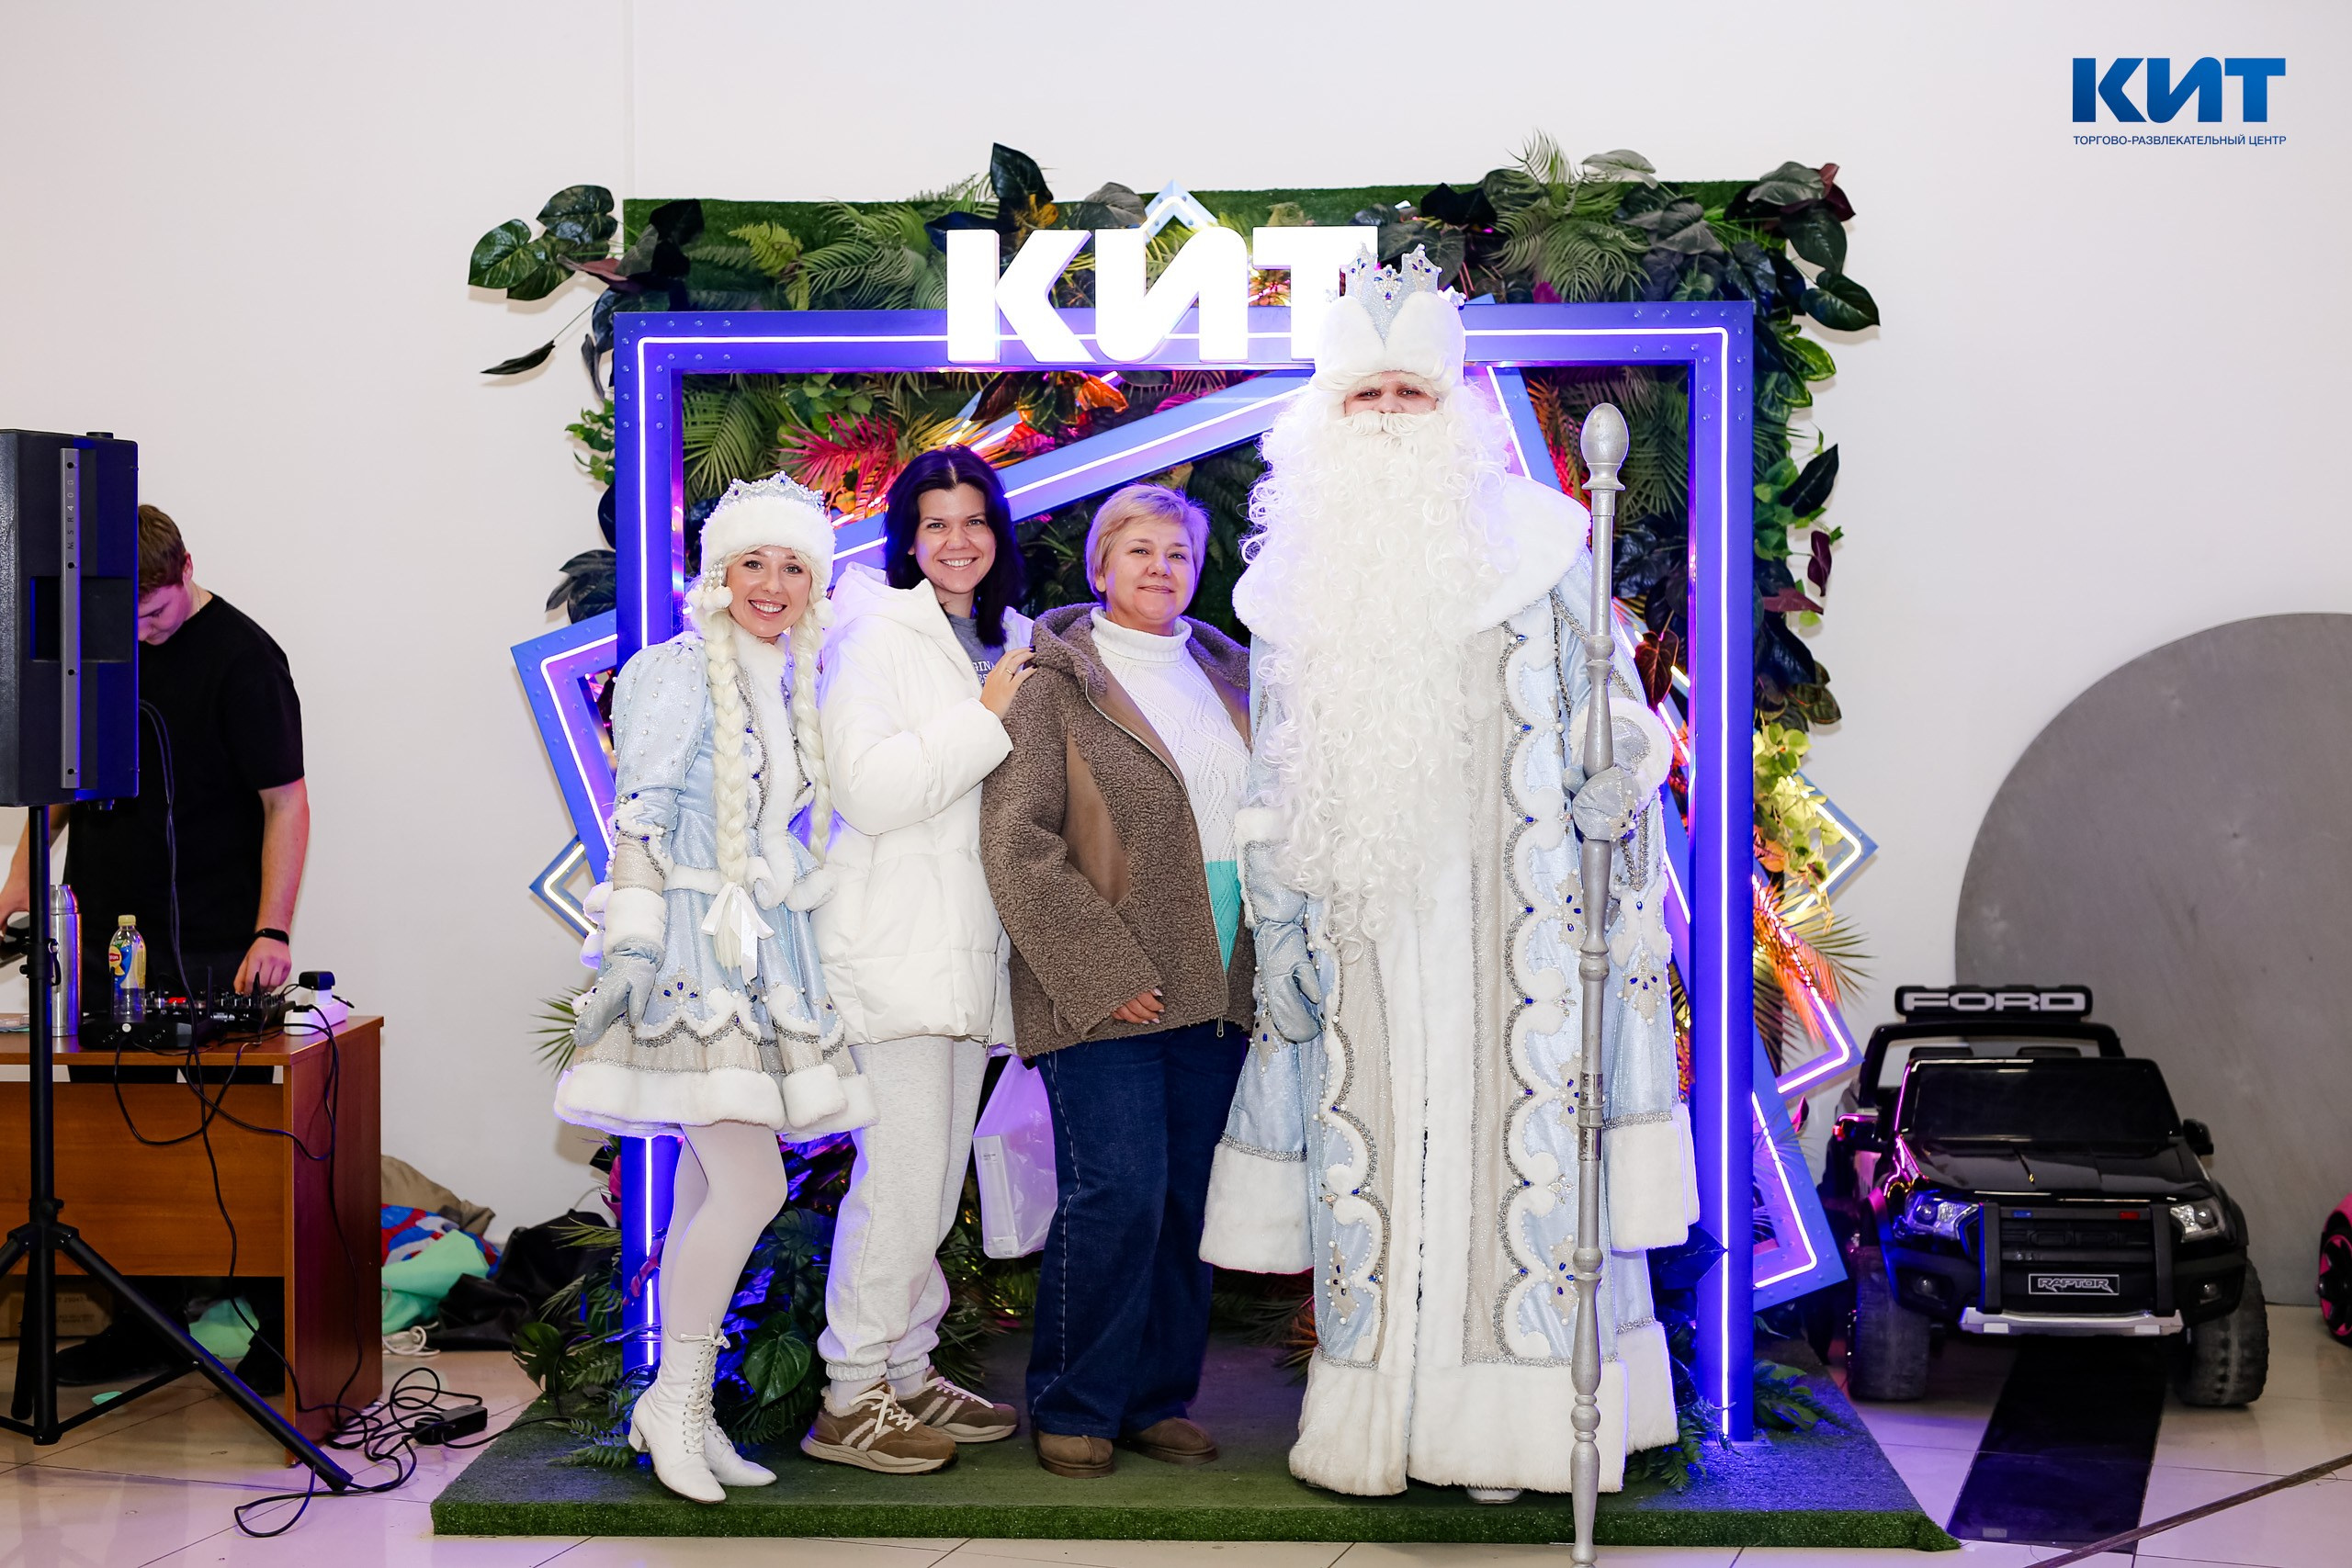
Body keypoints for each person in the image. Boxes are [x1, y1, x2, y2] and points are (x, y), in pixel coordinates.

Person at [1197, 249, 1696, 1500]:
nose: (1385, 418)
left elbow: (1614, 707)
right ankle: (1380, 1423)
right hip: (1363, 928)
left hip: (1513, 921)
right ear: (1326, 416)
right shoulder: (1290, 590)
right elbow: (1275, 778)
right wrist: (1281, 930)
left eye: (1408, 395)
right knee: (1373, 1171)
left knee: (1518, 1169)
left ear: (1450, 406)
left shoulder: (1545, 545)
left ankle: (1514, 1434)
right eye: (1363, 397)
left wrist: (1617, 769)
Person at [555, 473, 874, 1503]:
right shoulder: (674, 668)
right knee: (753, 1185)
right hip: (691, 951)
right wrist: (631, 946)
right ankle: (674, 1403)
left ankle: (681, 1407)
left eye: (793, 566)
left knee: (708, 1182)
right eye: (753, 563)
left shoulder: (791, 680)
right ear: (719, 572)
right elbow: (640, 816)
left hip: (760, 949)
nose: (771, 584)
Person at [0, 502, 309, 1391]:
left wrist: (272, 930)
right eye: (123, 617)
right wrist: (20, 882)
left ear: (186, 569)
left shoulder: (245, 659)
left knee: (236, 1144)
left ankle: (276, 1330)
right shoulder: (93, 655)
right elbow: (58, 790)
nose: (140, 632)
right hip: (106, 935)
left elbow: (287, 803)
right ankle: (145, 1325)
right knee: (118, 1142)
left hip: (218, 939)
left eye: (154, 613)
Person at [980, 483, 1254, 1480]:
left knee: (1186, 1199)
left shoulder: (1235, 675)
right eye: (1138, 550)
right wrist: (1101, 969)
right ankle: (1076, 1401)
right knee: (1120, 1192)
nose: (1160, 568)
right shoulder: (1054, 679)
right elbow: (1017, 842)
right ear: (1099, 567)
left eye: (1177, 553)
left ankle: (1152, 1398)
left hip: (1221, 980)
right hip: (1106, 979)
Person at [805, 446, 1034, 1472]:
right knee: (898, 1182)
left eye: (973, 519)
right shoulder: (873, 635)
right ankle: (848, 1394)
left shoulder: (1004, 639)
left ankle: (905, 1369)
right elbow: (871, 790)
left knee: (934, 1185)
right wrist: (984, 717)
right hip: (892, 948)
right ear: (906, 539)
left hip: (965, 954)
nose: (956, 540)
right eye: (934, 523)